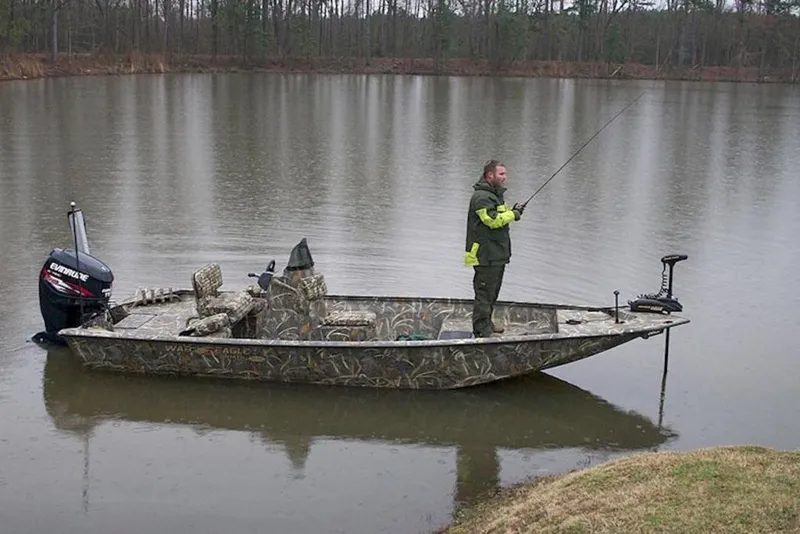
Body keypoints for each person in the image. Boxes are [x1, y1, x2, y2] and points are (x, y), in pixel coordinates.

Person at [464, 160, 525, 338]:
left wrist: (513, 211)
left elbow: (500, 216)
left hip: (496, 254)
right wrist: (513, 214)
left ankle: (487, 323)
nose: (505, 178)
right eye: (501, 174)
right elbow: (492, 220)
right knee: (484, 293)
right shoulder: (482, 197)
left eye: (505, 174)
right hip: (485, 254)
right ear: (490, 175)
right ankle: (482, 331)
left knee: (492, 292)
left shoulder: (495, 195)